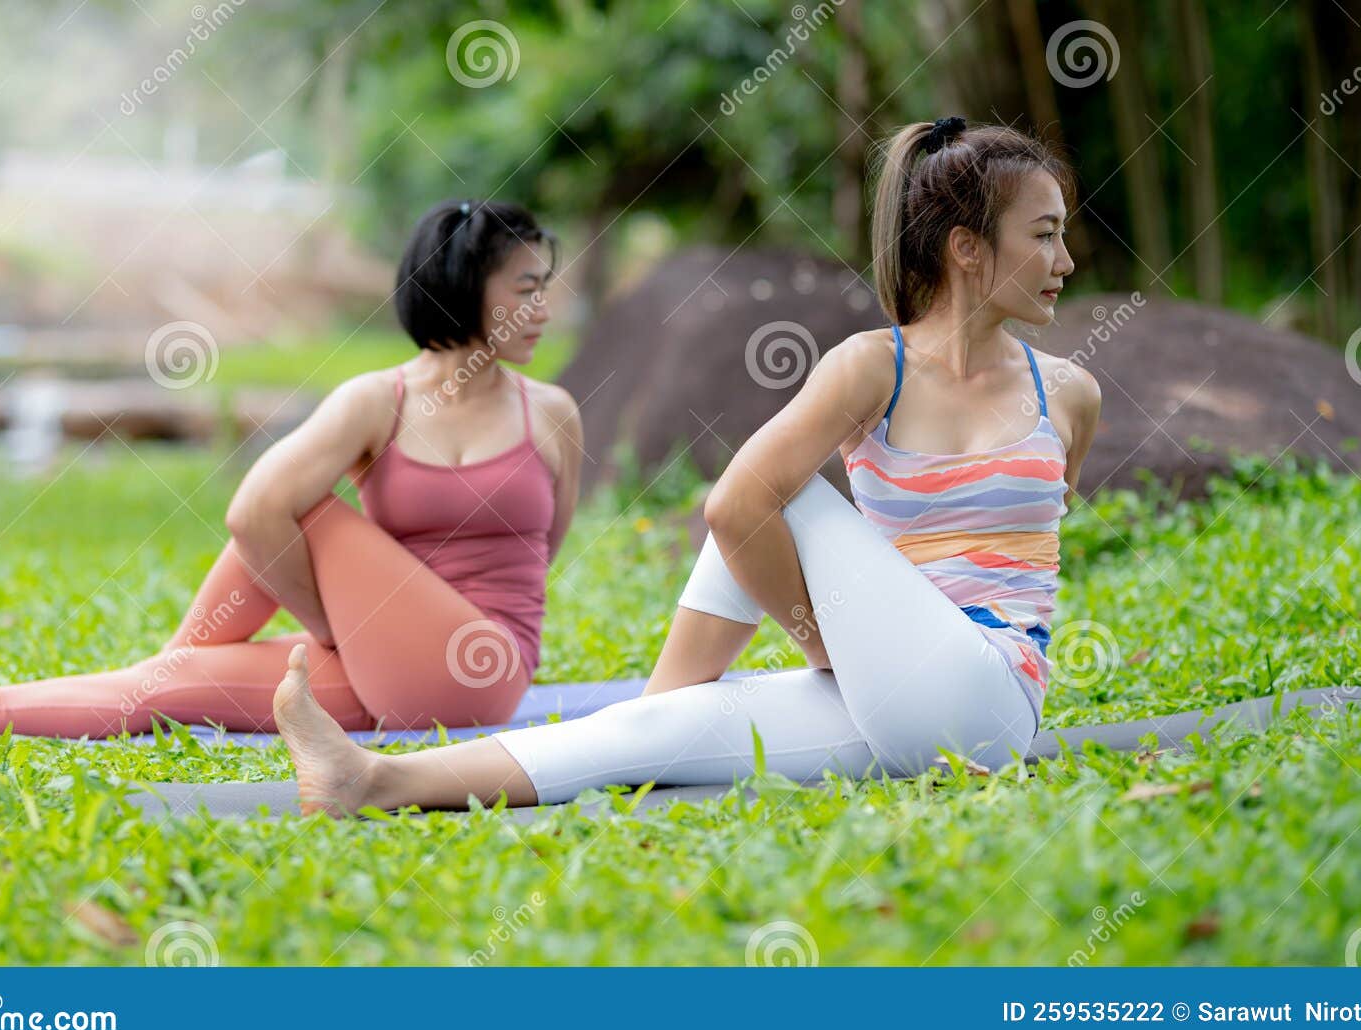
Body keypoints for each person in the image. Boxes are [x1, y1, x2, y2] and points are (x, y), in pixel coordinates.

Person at [265, 117, 1105, 818]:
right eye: (1045, 234)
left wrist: (819, 643)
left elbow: (740, 503)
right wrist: (841, 647)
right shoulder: (871, 368)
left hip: (990, 699)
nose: (1067, 259)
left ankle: (678, 685)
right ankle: (371, 780)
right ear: (966, 247)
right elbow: (740, 511)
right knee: (653, 732)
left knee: (776, 492)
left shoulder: (1071, 394)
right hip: (896, 699)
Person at [0, 198, 584, 737]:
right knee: (173, 686)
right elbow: (253, 519)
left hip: (478, 669)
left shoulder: (550, 413)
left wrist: (338, 627)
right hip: (386, 663)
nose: (543, 307)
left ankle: (176, 652)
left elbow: (540, 555)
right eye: (525, 289)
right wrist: (354, 633)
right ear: (463, 287)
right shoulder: (378, 402)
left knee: (296, 504)